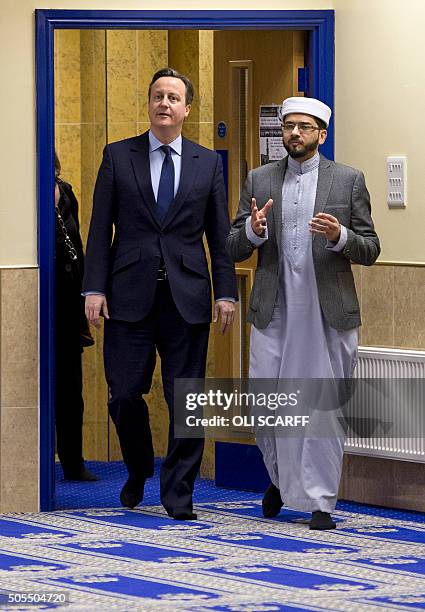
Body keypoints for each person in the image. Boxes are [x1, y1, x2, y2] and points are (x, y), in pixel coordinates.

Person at [83, 68, 237, 520]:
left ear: (187, 109)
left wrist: (225, 293)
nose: (164, 103)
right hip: (128, 295)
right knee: (123, 395)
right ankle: (137, 467)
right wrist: (94, 287)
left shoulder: (207, 163)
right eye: (157, 96)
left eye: (173, 97)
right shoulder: (117, 156)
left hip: (187, 298)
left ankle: (178, 494)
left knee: (185, 398)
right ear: (148, 105)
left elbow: (219, 233)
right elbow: (98, 229)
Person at [227, 97, 380, 530]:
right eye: (288, 126)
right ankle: (280, 479)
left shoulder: (348, 181)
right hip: (275, 312)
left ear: (321, 134)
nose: (294, 133)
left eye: (304, 127)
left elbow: (370, 248)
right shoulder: (259, 179)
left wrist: (340, 236)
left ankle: (320, 501)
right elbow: (232, 244)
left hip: (326, 314)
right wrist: (254, 233)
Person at [54, 153, 98, 482]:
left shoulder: (66, 193)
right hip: (44, 300)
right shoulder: (26, 199)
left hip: (69, 302)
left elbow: (79, 246)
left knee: (71, 387)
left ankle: (73, 461)